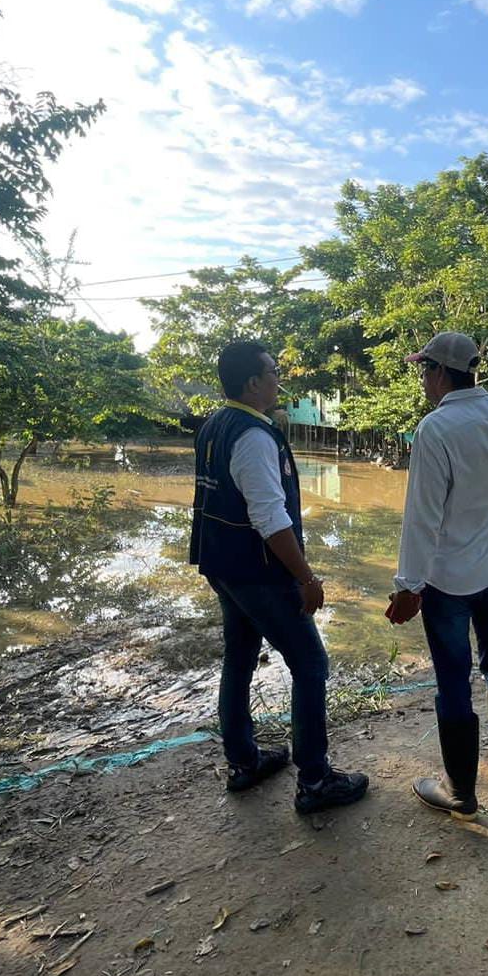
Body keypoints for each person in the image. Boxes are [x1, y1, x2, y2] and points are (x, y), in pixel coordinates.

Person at [189, 339, 368, 815]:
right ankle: (314, 779)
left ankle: (245, 763)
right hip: (259, 572)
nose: (278, 378)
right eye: (272, 371)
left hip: (222, 564)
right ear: (252, 382)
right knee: (310, 664)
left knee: (240, 657)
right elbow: (269, 516)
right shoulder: (252, 437)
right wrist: (306, 577)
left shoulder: (213, 425)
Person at [385, 331, 488, 820]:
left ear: (437, 372)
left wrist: (408, 585)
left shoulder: (435, 429)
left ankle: (460, 794)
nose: (423, 381)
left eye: (423, 371)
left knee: (454, 682)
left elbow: (422, 516)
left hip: (448, 583)